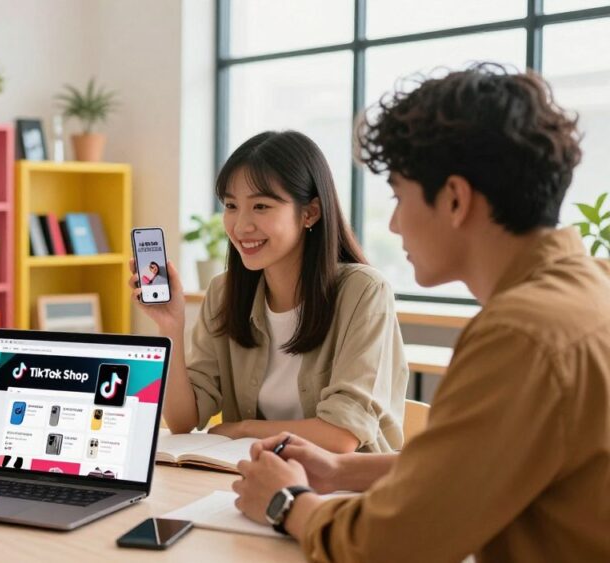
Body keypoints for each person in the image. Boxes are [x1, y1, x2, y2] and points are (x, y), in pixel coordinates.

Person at [233, 64, 610, 562]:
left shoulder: (521, 335)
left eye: (398, 196)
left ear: (454, 198)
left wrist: (285, 503)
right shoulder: (592, 286)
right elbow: (473, 466)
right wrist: (342, 472)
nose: (392, 222)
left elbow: (390, 547)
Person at [132, 130, 407, 453]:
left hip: (344, 490)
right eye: (231, 206)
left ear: (310, 213)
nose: (241, 225)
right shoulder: (224, 292)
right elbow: (182, 420)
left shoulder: (363, 292)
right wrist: (170, 326)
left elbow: (341, 436)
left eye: (261, 206)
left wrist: (246, 429)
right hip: (255, 480)